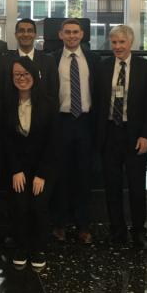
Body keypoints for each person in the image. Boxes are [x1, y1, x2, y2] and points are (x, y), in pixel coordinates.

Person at [97, 25, 147, 249]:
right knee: (111, 185)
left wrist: (146, 135)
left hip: (135, 134)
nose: (117, 47)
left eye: (121, 42)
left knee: (136, 185)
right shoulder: (103, 68)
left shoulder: (146, 68)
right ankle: (117, 230)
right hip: (109, 133)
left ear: (130, 43)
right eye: (114, 42)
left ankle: (139, 230)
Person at [4, 57, 58, 270]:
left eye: (26, 74)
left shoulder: (48, 103)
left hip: (44, 167)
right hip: (17, 167)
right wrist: (16, 170)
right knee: (19, 205)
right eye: (17, 74)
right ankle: (21, 246)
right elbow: (5, 140)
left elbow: (54, 143)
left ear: (34, 76)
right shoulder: (6, 102)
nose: (22, 78)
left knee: (38, 205)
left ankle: (38, 247)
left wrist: (42, 174)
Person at [50, 18, 99, 244]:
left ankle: (83, 225)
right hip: (60, 122)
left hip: (86, 122)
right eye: (67, 32)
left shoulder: (94, 59)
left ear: (82, 35)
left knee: (84, 175)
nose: (71, 36)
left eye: (75, 32)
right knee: (60, 175)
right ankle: (59, 223)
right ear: (60, 35)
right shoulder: (51, 59)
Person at [0, 18, 59, 104]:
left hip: (41, 114)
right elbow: (0, 92)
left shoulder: (48, 61)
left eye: (29, 31)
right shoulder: (4, 61)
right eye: (21, 31)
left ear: (35, 35)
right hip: (11, 114)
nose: (25, 34)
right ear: (16, 35)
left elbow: (53, 92)